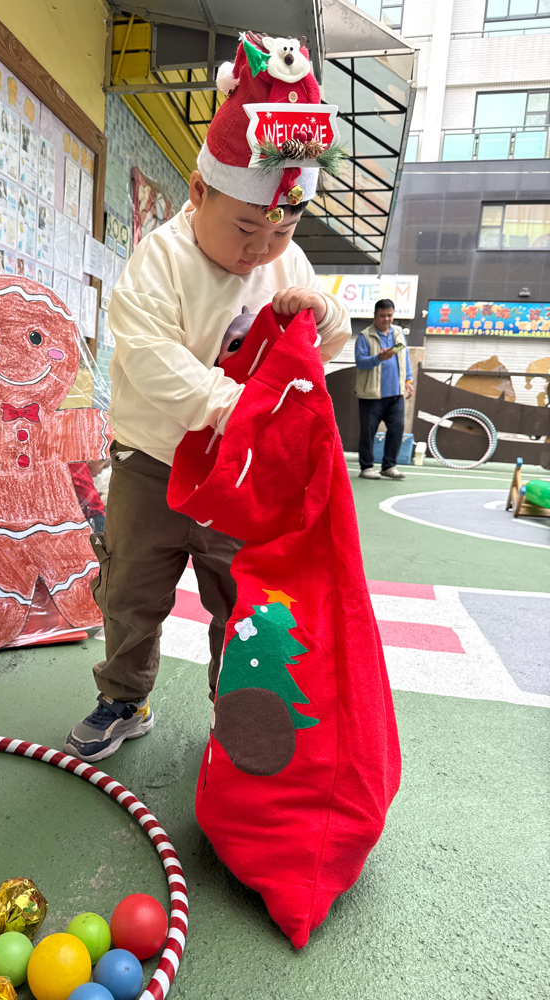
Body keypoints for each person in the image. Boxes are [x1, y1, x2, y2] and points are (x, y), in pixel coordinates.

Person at [64, 32, 351, 762]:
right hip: (151, 464)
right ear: (199, 193)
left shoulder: (287, 260)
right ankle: (124, 696)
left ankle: (236, 709)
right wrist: (234, 406)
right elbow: (150, 358)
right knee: (130, 590)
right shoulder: (160, 258)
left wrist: (322, 316)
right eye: (247, 227)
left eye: (283, 229)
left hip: (241, 474)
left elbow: (320, 352)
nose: (262, 248)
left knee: (243, 598)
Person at [354, 299, 414, 480]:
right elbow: (360, 362)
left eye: (390, 315)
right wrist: (378, 358)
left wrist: (408, 380)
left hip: (396, 393)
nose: (386, 319)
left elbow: (405, 357)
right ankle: (366, 467)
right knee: (368, 432)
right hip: (371, 394)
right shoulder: (365, 336)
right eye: (382, 316)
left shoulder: (398, 333)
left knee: (397, 429)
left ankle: (389, 466)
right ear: (375, 315)